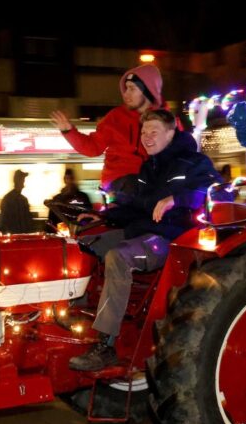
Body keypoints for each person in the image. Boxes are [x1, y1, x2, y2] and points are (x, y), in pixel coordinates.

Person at [69, 109, 225, 371]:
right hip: (142, 231)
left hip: (173, 238)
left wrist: (177, 199)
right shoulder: (147, 168)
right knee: (83, 244)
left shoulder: (194, 162)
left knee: (118, 256)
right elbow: (136, 206)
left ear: (171, 132)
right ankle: (75, 315)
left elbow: (217, 191)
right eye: (143, 132)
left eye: (154, 131)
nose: (147, 137)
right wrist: (99, 216)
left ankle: (106, 343)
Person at [50, 64, 164, 193]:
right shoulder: (116, 117)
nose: (126, 94)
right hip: (119, 183)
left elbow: (182, 152)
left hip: (151, 184)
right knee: (133, 184)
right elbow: (93, 147)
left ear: (148, 90)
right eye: (126, 88)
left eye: (132, 88)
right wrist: (68, 131)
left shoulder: (166, 120)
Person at [0, 169, 34, 233]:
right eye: (22, 180)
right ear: (18, 181)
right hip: (19, 236)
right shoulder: (21, 199)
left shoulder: (8, 198)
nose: (23, 183)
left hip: (15, 236)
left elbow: (4, 221)